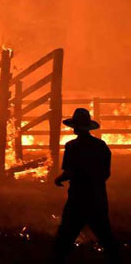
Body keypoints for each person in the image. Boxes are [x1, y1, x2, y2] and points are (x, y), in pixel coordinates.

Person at [52, 108, 120, 263]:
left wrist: (58, 180)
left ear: (75, 127)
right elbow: (106, 173)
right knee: (105, 235)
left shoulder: (72, 147)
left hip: (77, 198)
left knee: (65, 237)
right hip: (97, 197)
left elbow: (69, 172)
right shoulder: (101, 146)